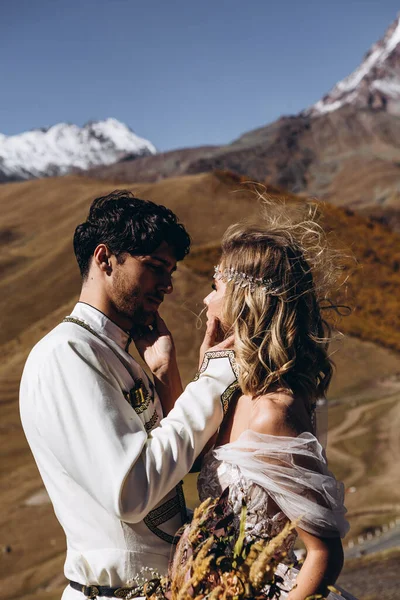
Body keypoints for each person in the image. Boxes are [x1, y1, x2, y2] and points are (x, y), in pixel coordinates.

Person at [19, 190, 238, 600]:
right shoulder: (68, 354)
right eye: (155, 267)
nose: (168, 286)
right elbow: (132, 490)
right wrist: (213, 380)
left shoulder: (115, 353)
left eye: (170, 271)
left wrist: (165, 376)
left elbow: (177, 467)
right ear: (104, 259)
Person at [170, 207, 358, 600]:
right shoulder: (236, 393)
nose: (205, 299)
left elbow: (324, 552)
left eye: (215, 286)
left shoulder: (274, 412)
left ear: (243, 300)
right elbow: (184, 459)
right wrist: (204, 371)